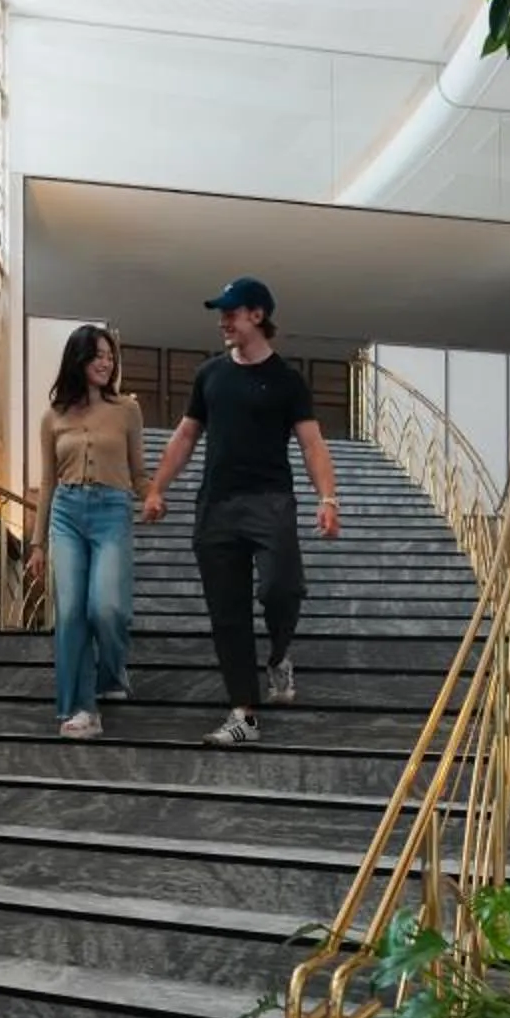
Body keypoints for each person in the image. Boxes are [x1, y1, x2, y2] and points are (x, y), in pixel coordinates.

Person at [140, 276, 340, 746]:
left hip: (271, 500)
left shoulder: (288, 381)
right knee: (227, 614)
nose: (222, 320)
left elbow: (311, 443)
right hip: (216, 505)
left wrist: (327, 497)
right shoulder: (210, 374)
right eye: (221, 312)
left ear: (257, 315)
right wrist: (156, 488)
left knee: (280, 588)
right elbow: (186, 435)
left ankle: (278, 654)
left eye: (232, 311)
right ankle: (243, 715)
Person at [28, 324, 145, 738]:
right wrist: (37, 543)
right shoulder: (53, 417)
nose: (105, 362)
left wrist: (152, 496)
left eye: (110, 356)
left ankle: (113, 671)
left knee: (107, 608)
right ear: (77, 359)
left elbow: (138, 472)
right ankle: (80, 708)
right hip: (66, 514)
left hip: (112, 510)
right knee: (72, 611)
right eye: (97, 354)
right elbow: (47, 482)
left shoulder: (127, 409)